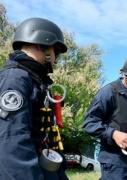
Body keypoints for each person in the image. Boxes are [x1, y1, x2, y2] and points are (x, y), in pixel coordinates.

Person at [0, 18, 69, 179]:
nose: (56, 60)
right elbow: (12, 143)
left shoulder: (34, 81)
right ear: (41, 45)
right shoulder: (15, 80)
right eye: (56, 52)